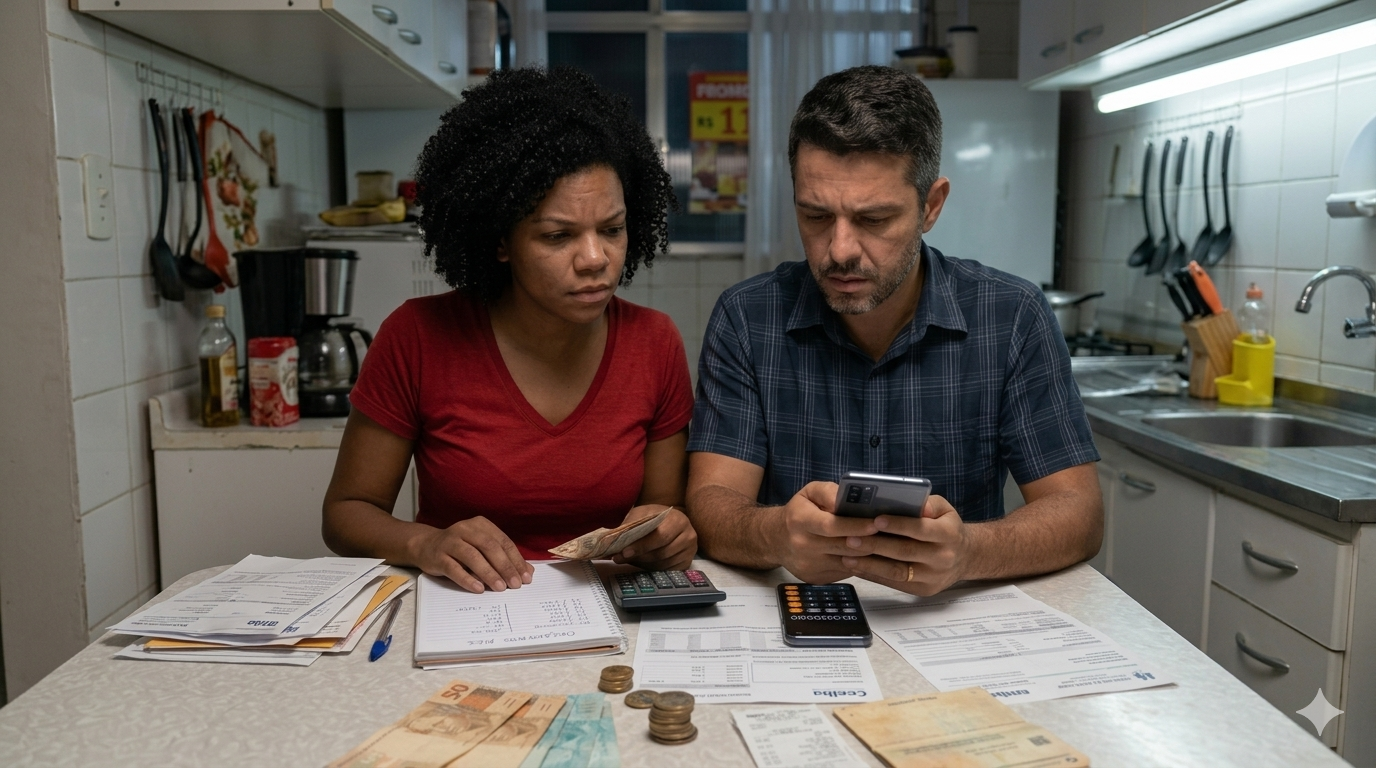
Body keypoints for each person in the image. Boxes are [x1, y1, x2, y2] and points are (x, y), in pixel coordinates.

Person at [685, 65, 1102, 596]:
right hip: (796, 620)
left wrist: (969, 552)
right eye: (815, 216)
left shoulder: (1011, 315)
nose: (839, 250)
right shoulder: (747, 317)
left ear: (931, 206)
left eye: (874, 220)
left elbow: (1079, 511)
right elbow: (711, 499)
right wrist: (776, 536)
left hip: (956, 624)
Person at [323, 67, 697, 594]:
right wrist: (422, 544)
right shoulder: (417, 336)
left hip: (609, 612)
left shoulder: (655, 342)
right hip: (466, 608)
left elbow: (665, 506)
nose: (596, 259)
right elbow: (345, 513)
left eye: (612, 230)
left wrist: (671, 532)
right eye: (557, 235)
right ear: (501, 241)